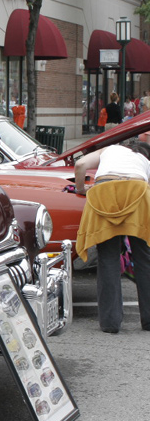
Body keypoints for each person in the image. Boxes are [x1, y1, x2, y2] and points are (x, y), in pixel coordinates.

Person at [74, 141, 150, 333]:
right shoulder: (144, 160)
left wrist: (81, 189)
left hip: (104, 192)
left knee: (108, 259)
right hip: (137, 191)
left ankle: (110, 323)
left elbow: (80, 165)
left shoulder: (110, 149)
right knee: (145, 260)